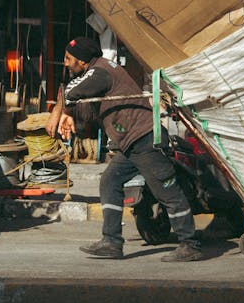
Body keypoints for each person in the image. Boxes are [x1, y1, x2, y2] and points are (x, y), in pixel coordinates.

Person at [45, 36, 203, 262]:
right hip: (131, 144)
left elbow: (71, 92)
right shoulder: (97, 72)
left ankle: (190, 244)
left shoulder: (100, 71)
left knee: (168, 192)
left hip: (145, 140)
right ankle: (111, 242)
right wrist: (69, 115)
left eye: (69, 59)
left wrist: (59, 112)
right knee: (109, 181)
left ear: (82, 61)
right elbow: (84, 109)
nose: (66, 63)